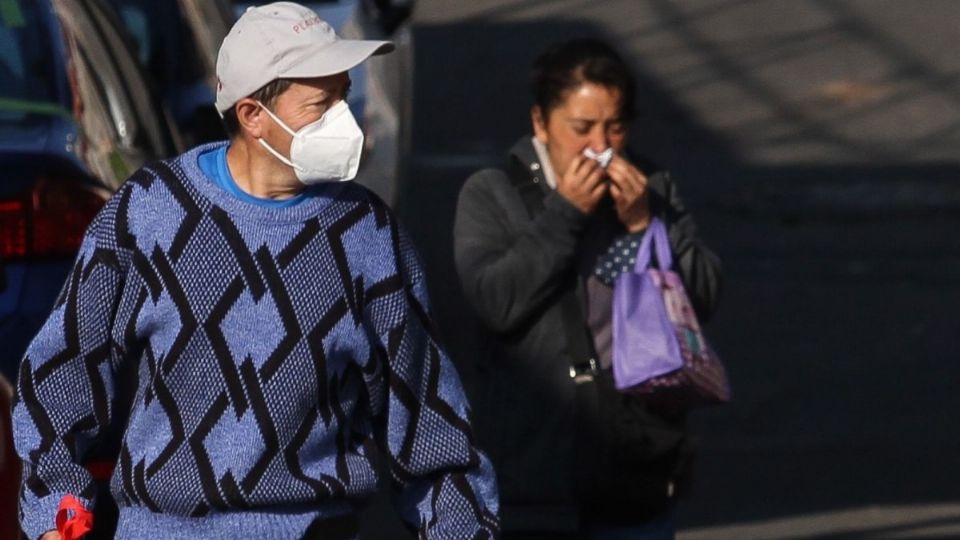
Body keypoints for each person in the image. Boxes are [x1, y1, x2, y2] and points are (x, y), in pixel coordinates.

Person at [13, 3, 499, 539]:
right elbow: (62, 371)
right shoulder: (149, 214)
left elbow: (429, 421)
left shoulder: (367, 235)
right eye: (322, 103)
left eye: (343, 94)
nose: (346, 117)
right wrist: (55, 508)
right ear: (252, 116)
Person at [453, 38, 722, 539]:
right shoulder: (492, 194)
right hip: (532, 476)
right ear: (540, 123)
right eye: (582, 129)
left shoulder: (650, 186)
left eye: (615, 127)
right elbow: (497, 302)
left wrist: (644, 227)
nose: (600, 146)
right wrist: (566, 213)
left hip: (635, 470)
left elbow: (701, 298)